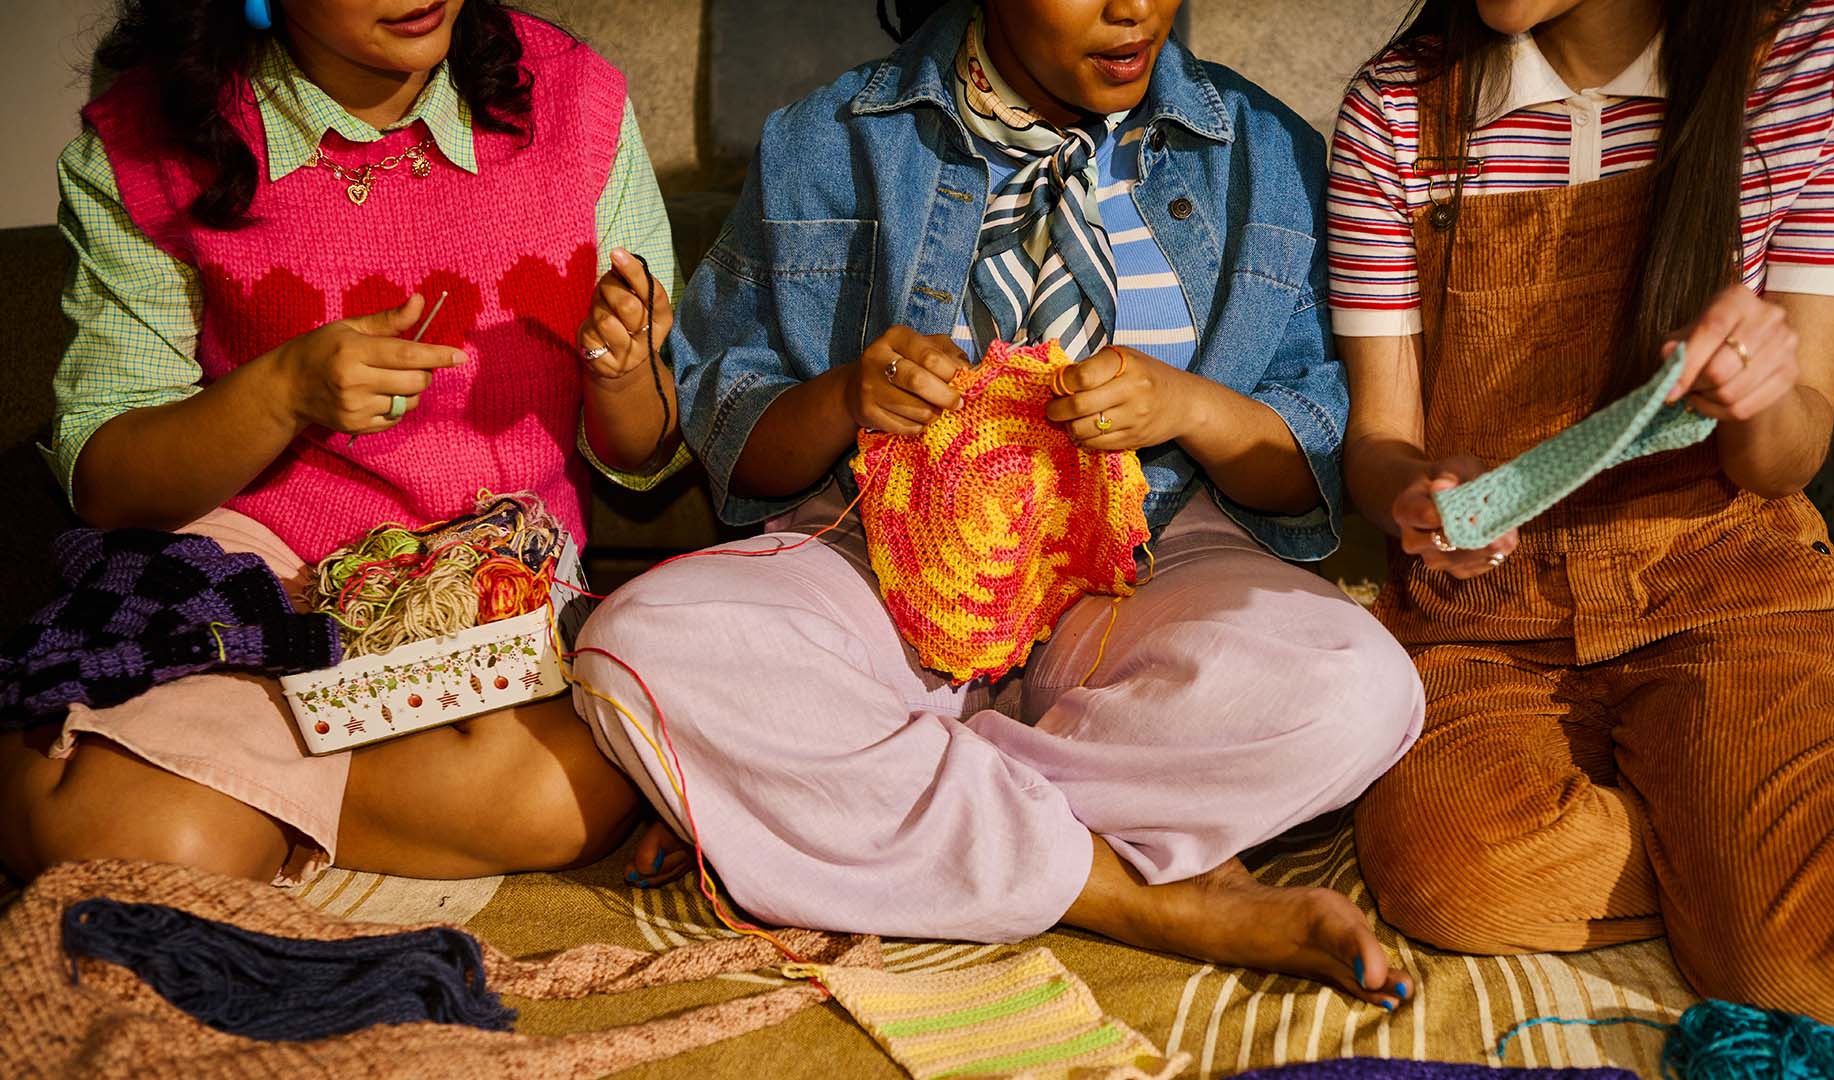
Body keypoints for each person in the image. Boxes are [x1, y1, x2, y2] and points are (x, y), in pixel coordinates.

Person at [573, 0, 1425, 1004]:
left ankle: (832, 796)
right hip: (875, 564)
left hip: (1147, 568)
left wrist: (1187, 408)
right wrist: (848, 396)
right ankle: (1137, 895)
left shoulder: (1265, 152)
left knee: (1362, 692)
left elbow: (1313, 462)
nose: (1134, 9)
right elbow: (733, 442)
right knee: (641, 648)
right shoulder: (828, 138)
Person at [0, 0, 683, 888]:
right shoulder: (150, 140)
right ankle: (179, 801)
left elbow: (644, 454)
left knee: (562, 800)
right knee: (157, 852)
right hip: (253, 584)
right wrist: (281, 393)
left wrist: (624, 374)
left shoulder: (571, 100)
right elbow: (108, 482)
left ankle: (207, 790)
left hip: (481, 590)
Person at [1330, 0, 1834, 1026]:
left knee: (1828, 973)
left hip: (1723, 578)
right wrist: (1418, 494)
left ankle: (1770, 861)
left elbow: (1786, 457)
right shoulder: (1395, 109)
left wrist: (1760, 384)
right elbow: (1378, 443)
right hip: (1488, 618)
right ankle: (1747, 850)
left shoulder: (1828, 58)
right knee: (1449, 874)